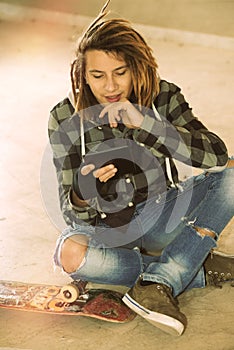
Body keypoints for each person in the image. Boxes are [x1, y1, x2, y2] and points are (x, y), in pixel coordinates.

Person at [48, 0, 234, 336]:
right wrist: (82, 191)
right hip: (108, 234)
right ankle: (190, 266)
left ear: (136, 67)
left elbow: (216, 155)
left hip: (162, 216)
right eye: (97, 75)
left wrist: (150, 125)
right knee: (70, 254)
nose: (110, 87)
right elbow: (71, 213)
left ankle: (161, 281)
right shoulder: (64, 119)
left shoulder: (161, 97)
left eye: (120, 72)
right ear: (81, 75)